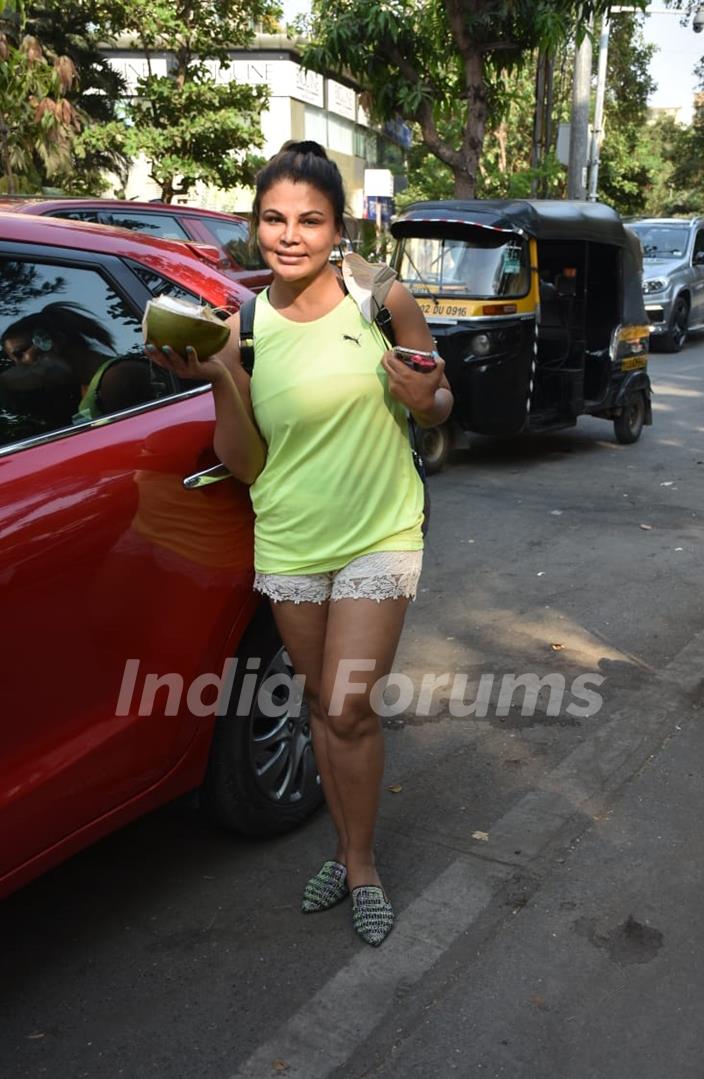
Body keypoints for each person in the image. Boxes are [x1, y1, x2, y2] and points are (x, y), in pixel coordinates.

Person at [147, 140, 453, 946]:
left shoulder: (380, 298)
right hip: (288, 541)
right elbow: (247, 463)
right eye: (275, 218)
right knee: (321, 703)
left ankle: (361, 865)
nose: (290, 235)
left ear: (335, 227)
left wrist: (430, 399)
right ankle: (345, 848)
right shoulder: (243, 324)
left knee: (349, 703)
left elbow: (438, 399)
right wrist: (218, 373)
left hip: (378, 532)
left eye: (309, 220)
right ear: (255, 226)